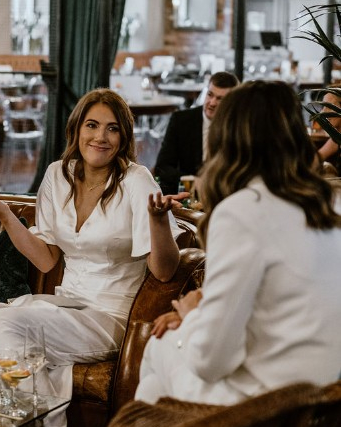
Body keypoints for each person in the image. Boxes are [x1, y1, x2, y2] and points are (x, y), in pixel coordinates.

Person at [0, 88, 182, 427]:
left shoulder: (136, 180)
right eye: (92, 125)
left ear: (124, 137)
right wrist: (5, 214)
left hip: (111, 314)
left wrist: (159, 222)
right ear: (76, 129)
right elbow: (46, 258)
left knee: (3, 324)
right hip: (66, 305)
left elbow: (164, 271)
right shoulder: (56, 175)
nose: (101, 137)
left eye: (112, 129)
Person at [136, 80, 341, 407]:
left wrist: (192, 316)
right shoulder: (328, 204)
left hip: (262, 407)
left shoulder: (242, 212)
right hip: (322, 401)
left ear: (226, 139)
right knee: (154, 386)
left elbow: (210, 362)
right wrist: (203, 315)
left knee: (158, 346)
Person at [154, 70, 239, 193]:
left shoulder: (238, 126)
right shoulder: (181, 121)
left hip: (225, 193)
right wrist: (192, 181)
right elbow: (162, 168)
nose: (212, 103)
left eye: (220, 99)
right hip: (189, 193)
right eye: (210, 95)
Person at [314, 90, 341, 174]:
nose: (323, 112)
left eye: (329, 106)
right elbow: (318, 157)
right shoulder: (336, 137)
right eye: (323, 107)